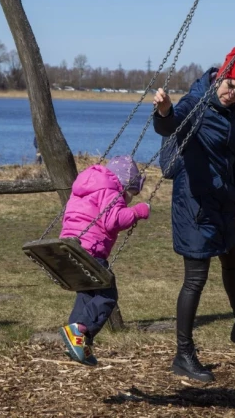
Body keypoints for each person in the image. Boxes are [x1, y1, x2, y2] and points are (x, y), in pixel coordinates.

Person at [152, 47, 235, 383]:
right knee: (195, 278)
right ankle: (183, 353)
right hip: (194, 203)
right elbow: (170, 126)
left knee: (233, 262)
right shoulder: (196, 101)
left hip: (225, 201)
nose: (232, 93)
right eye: (229, 85)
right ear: (219, 75)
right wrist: (164, 112)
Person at [58, 155, 150, 366]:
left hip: (71, 246)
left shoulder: (87, 187)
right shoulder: (112, 190)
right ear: (125, 185)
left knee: (87, 293)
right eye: (131, 195)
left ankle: (79, 342)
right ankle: (80, 330)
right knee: (108, 293)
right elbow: (113, 220)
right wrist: (138, 211)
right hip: (90, 249)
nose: (129, 200)